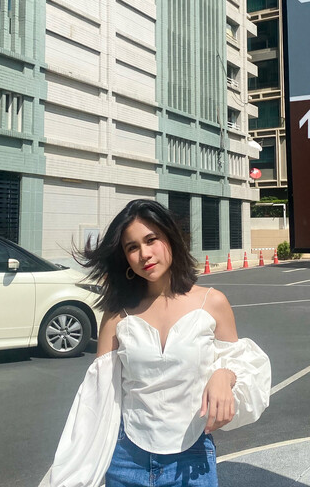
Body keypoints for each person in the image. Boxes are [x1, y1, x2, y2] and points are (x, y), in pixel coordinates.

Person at [49, 199, 271, 487]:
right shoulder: (117, 314)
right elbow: (97, 397)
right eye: (132, 247)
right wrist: (74, 470)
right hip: (125, 460)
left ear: (170, 238)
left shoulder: (212, 302)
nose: (144, 254)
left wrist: (224, 375)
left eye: (151, 239)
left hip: (192, 460)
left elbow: (242, 363)